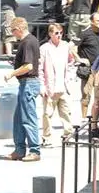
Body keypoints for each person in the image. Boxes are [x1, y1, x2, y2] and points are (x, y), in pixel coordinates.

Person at [4, 17, 41, 162]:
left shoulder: (27, 42)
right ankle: (19, 150)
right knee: (19, 118)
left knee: (28, 118)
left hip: (28, 83)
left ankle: (34, 150)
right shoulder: (30, 41)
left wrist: (11, 73)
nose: (13, 34)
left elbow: (28, 66)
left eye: (13, 31)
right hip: (26, 83)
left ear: (18, 29)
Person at [40, 22, 75, 146]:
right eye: (56, 33)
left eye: (61, 33)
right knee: (47, 114)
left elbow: (71, 62)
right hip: (50, 87)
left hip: (63, 86)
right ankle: (47, 137)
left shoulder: (65, 46)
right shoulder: (44, 48)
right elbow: (40, 68)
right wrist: (42, 86)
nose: (59, 35)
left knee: (66, 113)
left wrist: (70, 77)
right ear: (50, 34)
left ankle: (68, 136)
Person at [74, 12, 99, 120]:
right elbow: (72, 47)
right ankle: (84, 119)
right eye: (98, 21)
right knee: (86, 95)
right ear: (92, 22)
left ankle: (94, 119)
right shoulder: (85, 34)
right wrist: (79, 59)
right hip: (89, 70)